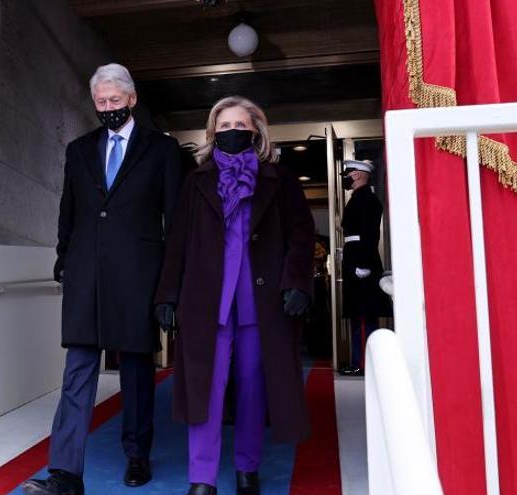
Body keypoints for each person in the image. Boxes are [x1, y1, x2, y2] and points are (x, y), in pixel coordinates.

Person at [22, 63, 182, 495]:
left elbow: (176, 220)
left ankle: (137, 455)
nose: (108, 108)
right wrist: (63, 256)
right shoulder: (79, 150)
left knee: (134, 370)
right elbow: (68, 210)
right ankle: (65, 472)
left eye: (115, 100)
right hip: (85, 276)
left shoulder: (162, 151)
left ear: (132, 99)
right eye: (101, 102)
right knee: (77, 370)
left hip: (138, 277)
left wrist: (171, 284)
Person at [154, 96, 315, 495]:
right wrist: (166, 295)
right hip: (205, 302)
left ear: (256, 131)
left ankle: (247, 468)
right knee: (204, 388)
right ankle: (202, 478)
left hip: (260, 305)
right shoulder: (196, 182)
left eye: (239, 125)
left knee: (252, 386)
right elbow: (178, 241)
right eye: (223, 127)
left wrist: (297, 282)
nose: (231, 132)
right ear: (212, 134)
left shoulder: (279, 179)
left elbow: (301, 234)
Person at [339, 159, 391, 376]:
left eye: (349, 173)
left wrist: (363, 264)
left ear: (359, 175)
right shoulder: (359, 198)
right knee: (358, 315)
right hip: (356, 260)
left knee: (363, 316)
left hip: (362, 262)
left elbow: (369, 234)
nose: (346, 177)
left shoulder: (367, 200)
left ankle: (362, 363)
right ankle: (359, 360)